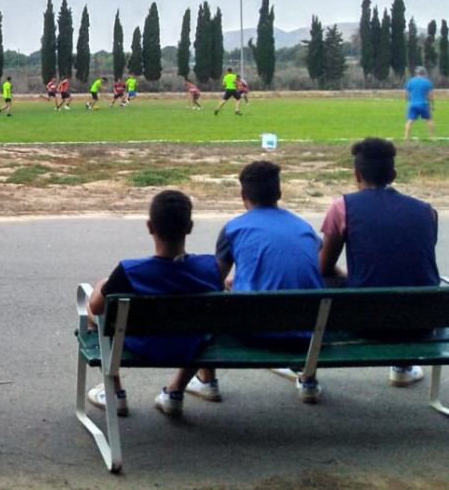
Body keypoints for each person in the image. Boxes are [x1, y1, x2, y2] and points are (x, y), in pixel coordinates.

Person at [85, 190, 223, 418]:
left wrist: (102, 285)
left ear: (150, 227)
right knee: (202, 323)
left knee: (96, 317)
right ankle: (175, 392)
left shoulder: (129, 271)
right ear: (189, 226)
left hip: (142, 344)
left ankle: (115, 392)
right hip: (189, 345)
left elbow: (97, 307)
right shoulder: (210, 268)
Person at [319, 137, 439, 387]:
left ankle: (308, 376)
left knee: (319, 280)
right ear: (394, 175)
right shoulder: (426, 210)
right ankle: (403, 365)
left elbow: (324, 267)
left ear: (356, 175)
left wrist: (346, 275)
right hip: (421, 322)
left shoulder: (342, 207)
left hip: (366, 321)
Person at [212, 161, 325, 403]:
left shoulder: (233, 228)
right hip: (307, 335)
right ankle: (308, 379)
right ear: (279, 194)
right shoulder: (303, 227)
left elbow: (213, 281)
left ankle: (206, 380)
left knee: (210, 304)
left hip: (255, 331)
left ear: (243, 195)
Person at [403, 66, 436, 141]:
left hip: (412, 104)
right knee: (429, 119)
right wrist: (432, 105)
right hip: (423, 103)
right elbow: (430, 95)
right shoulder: (427, 82)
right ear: (424, 73)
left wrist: (408, 100)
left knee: (410, 121)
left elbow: (406, 93)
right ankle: (433, 137)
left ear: (416, 73)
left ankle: (406, 137)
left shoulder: (410, 81)